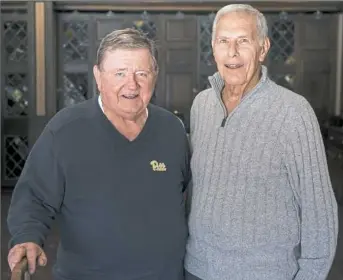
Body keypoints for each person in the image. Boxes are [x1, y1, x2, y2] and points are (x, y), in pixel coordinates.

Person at [7, 28, 190, 280]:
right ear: (98, 76)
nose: (132, 84)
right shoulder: (65, 130)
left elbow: (188, 195)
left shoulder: (172, 129)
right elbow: (35, 197)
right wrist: (27, 237)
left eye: (141, 73)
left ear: (154, 76)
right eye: (120, 73)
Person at [185, 4, 338, 280]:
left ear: (263, 48)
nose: (232, 52)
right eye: (223, 41)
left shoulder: (293, 112)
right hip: (196, 269)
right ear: (213, 47)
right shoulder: (201, 105)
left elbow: (320, 210)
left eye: (243, 41)